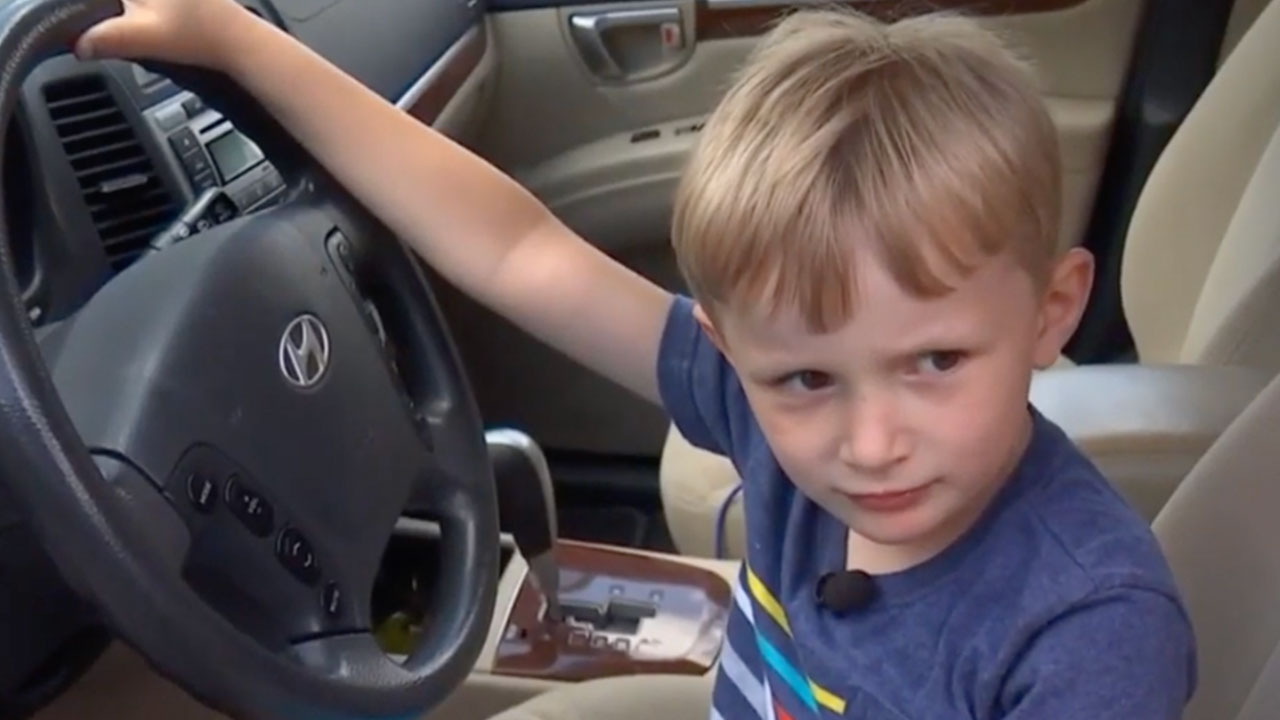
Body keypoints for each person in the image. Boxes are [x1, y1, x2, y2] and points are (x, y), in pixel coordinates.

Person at [74, 3, 1196, 717]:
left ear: (1052, 312)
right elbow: (515, 248)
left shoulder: (1090, 631)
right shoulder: (763, 418)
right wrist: (238, 43)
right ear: (726, 354)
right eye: (803, 378)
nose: (867, 444)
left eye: (937, 361)